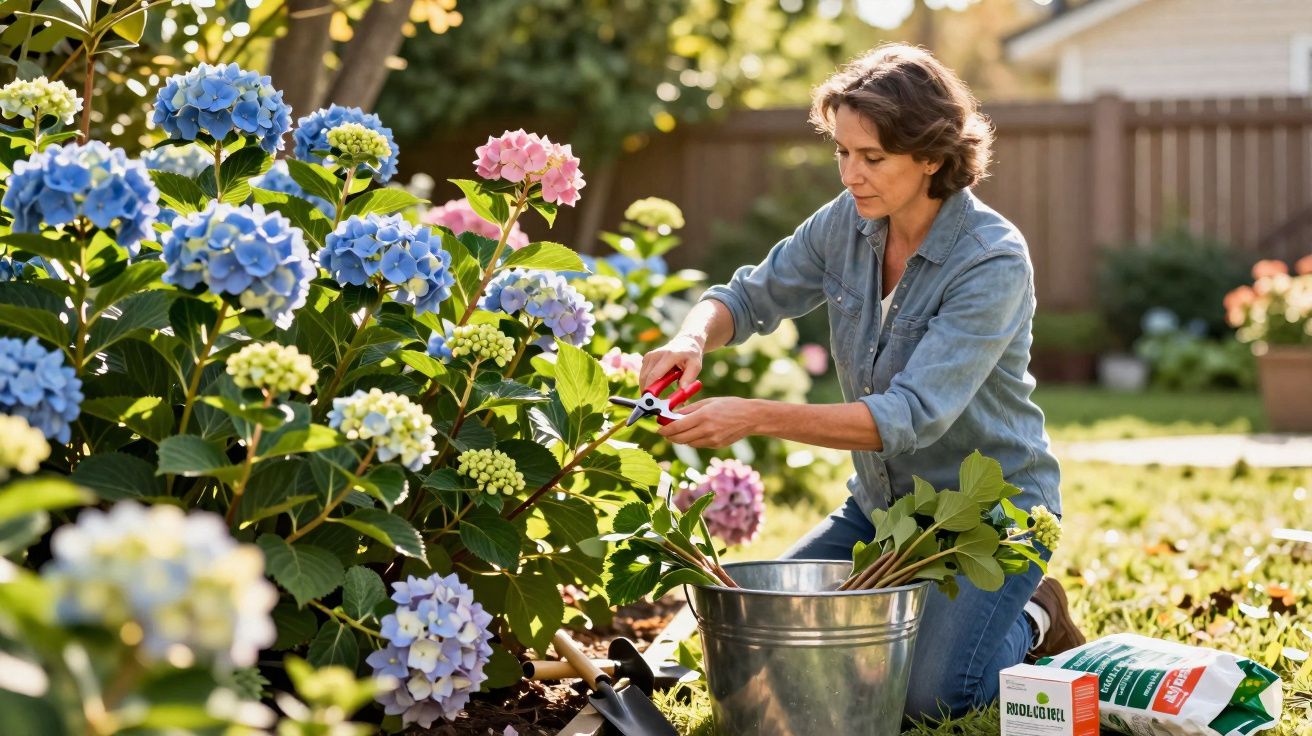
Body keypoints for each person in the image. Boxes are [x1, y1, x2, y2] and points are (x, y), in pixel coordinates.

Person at [638, 43, 1084, 721]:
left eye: (872, 157)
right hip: (880, 511)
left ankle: (1034, 615)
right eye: (842, 152)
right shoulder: (846, 223)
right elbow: (750, 295)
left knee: (931, 697)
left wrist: (753, 415)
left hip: (991, 517)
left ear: (932, 156)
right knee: (771, 647)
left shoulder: (991, 260)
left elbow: (909, 416)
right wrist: (691, 335)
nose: (851, 174)